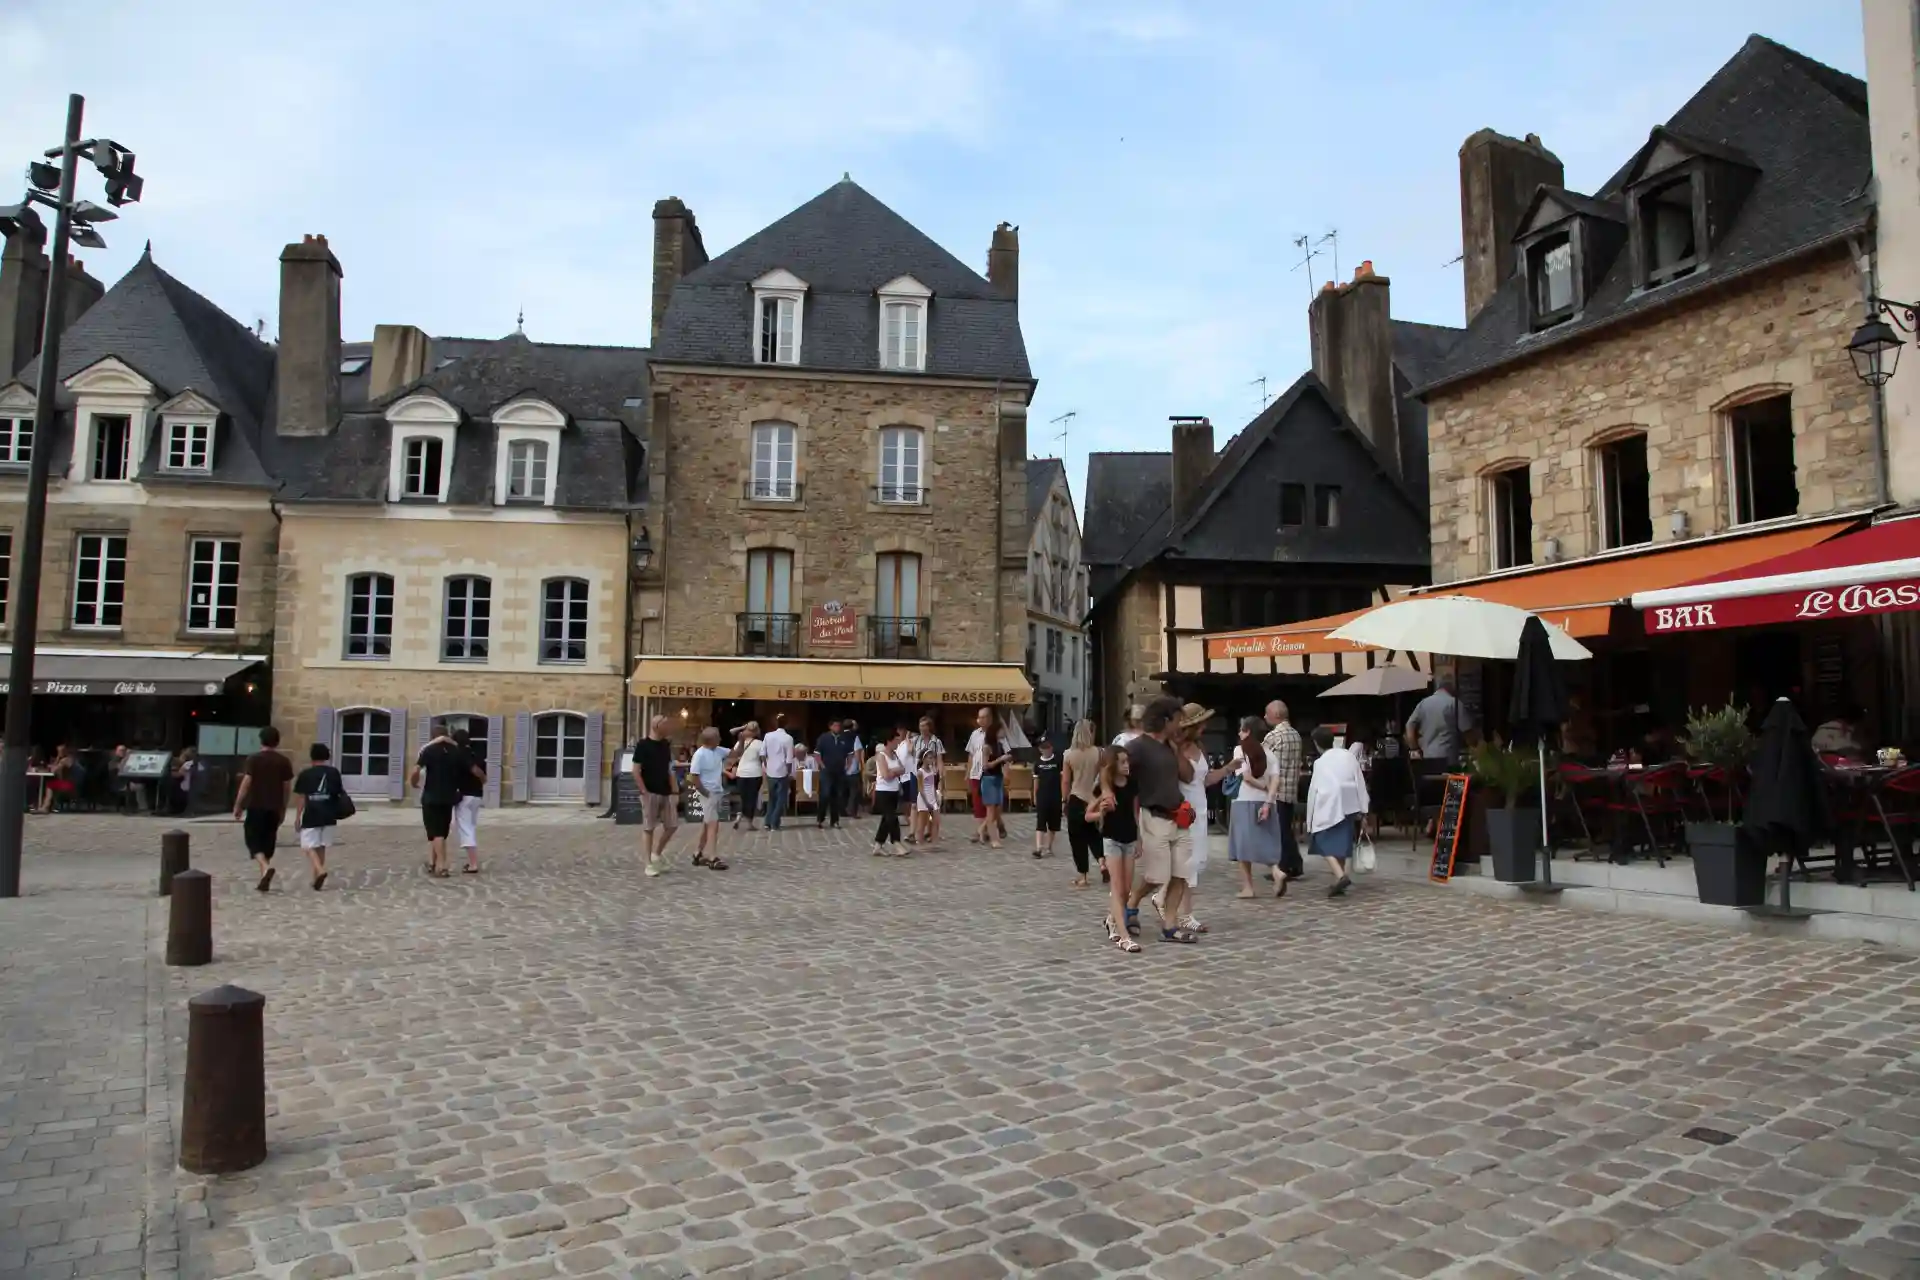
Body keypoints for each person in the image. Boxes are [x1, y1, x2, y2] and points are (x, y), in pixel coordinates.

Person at [1126, 697, 1198, 944]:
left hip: (1179, 816)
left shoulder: (1171, 746)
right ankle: (1131, 903)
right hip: (1154, 817)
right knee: (1156, 876)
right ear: (1166, 720)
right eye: (1178, 719)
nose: (1181, 725)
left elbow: (1188, 776)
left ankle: (1170, 926)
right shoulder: (1138, 747)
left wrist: (1177, 750)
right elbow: (1118, 774)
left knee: (1180, 874)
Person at [1087, 745, 1141, 952]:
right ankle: (1124, 936)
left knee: (1126, 890)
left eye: (1127, 761)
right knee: (1117, 890)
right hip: (1111, 840)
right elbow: (1087, 815)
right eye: (1122, 762)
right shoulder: (1104, 787)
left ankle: (1112, 920)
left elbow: (1136, 813)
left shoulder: (1132, 784)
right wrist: (1100, 811)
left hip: (1129, 839)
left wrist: (1139, 839)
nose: (1127, 765)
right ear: (1112, 765)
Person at [1226, 716, 1287, 898]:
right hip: (1267, 803)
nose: (1239, 733)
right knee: (1265, 841)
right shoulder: (1270, 753)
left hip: (1244, 801)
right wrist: (1268, 799)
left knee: (1242, 845)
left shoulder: (1240, 750)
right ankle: (1277, 871)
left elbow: (1246, 777)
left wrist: (1263, 787)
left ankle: (1248, 887)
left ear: (1248, 732)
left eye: (1242, 729)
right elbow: (1276, 780)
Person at [1305, 724, 1369, 896]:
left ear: (1316, 744)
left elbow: (1313, 791)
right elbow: (1359, 780)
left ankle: (1341, 875)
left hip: (1329, 802)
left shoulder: (1319, 762)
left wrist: (1309, 819)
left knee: (1321, 838)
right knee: (1341, 840)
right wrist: (1364, 808)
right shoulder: (1348, 756)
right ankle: (1339, 877)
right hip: (1349, 801)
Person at [232, 726, 295, 892]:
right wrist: (284, 808)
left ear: (261, 740)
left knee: (253, 842)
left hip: (256, 806)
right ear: (277, 741)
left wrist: (238, 804)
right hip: (274, 807)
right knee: (268, 842)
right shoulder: (283, 761)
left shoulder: (254, 759)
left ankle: (265, 868)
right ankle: (263, 879)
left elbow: (246, 784)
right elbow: (286, 787)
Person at [413, 729, 480, 879]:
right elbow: (470, 769)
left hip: (431, 796)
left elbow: (416, 769)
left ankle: (441, 866)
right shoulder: (455, 752)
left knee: (435, 832)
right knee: (440, 832)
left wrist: (413, 782)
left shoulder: (428, 750)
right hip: (448, 797)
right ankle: (432, 862)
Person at [291, 742, 346, 890]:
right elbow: (338, 793)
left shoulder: (305, 774)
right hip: (329, 814)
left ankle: (320, 871)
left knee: (308, 845)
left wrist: (297, 817)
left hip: (312, 814)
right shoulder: (334, 773)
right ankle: (316, 879)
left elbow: (302, 797)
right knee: (321, 847)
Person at [1262, 701, 1306, 885]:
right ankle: (1293, 863)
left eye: (1267, 713)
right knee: (1285, 828)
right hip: (1290, 788)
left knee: (1279, 831)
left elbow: (1263, 762)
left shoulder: (1274, 736)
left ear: (1276, 715)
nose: (1264, 717)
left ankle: (1286, 866)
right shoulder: (1296, 735)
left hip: (1276, 790)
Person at [634, 716, 679, 876]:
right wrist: (644, 792)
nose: (668, 728)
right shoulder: (643, 745)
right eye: (665, 725)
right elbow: (636, 771)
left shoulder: (665, 745)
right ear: (656, 726)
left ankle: (656, 854)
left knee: (672, 825)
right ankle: (648, 863)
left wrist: (675, 791)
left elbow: (670, 769)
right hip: (650, 791)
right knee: (649, 827)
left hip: (665, 791)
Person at [1062, 720, 1103, 888]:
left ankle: (1083, 875)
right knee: (1094, 834)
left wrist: (1064, 800)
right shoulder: (1100, 752)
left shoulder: (1069, 755)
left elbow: (1065, 781)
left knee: (1077, 837)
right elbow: (1103, 776)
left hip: (1076, 797)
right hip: (1093, 797)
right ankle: (1102, 862)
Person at [688, 727, 731, 870]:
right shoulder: (699, 754)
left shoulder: (717, 750)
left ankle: (697, 853)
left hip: (716, 791)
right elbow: (694, 776)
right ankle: (713, 858)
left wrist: (742, 740)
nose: (720, 739)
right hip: (708, 792)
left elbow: (737, 753)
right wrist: (705, 793)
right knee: (714, 824)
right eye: (718, 737)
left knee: (707, 824)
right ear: (711, 739)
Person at [969, 708, 1012, 848]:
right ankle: (992, 837)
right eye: (979, 717)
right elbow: (984, 764)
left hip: (997, 777)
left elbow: (1008, 756)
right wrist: (1001, 759)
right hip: (985, 776)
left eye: (984, 717)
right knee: (989, 808)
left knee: (995, 808)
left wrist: (1006, 768)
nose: (981, 720)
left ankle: (981, 830)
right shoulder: (982, 742)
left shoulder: (999, 743)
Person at [1405, 675, 1469, 762]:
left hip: (1427, 756)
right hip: (1448, 757)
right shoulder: (1454, 703)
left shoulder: (1423, 703)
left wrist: (1414, 748)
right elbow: (1467, 731)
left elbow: (1409, 726)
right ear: (1451, 687)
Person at [449, 727, 486, 874]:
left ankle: (473, 863)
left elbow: (474, 770)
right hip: (477, 795)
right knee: (470, 825)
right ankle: (472, 861)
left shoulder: (459, 754)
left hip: (465, 795)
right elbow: (482, 773)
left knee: (465, 828)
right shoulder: (476, 753)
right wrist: (481, 781)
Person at [871, 724, 908, 856]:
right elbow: (886, 775)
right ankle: (897, 843)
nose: (898, 743)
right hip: (883, 791)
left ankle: (878, 845)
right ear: (889, 741)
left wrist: (894, 771)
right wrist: (894, 771)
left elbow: (902, 769)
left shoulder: (895, 755)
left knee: (886, 820)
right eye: (896, 740)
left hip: (894, 790)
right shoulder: (881, 756)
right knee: (892, 818)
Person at [908, 716, 944, 846]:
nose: (922, 728)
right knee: (915, 804)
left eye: (925, 725)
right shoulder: (915, 740)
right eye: (920, 725)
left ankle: (929, 832)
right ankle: (913, 833)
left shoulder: (936, 742)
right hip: (916, 773)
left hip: (931, 775)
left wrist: (940, 777)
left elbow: (939, 760)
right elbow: (909, 752)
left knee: (931, 803)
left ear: (930, 727)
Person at [1032, 735, 1063, 861]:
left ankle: (1049, 847)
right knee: (1041, 821)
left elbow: (1063, 779)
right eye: (1044, 748)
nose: (1047, 750)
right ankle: (1039, 848)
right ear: (1040, 749)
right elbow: (1036, 781)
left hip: (1055, 795)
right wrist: (1034, 796)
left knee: (1053, 823)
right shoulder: (1038, 764)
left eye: (1048, 747)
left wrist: (1063, 795)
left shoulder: (1058, 761)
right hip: (1042, 796)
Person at [762, 714, 795, 831]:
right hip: (782, 771)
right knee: (781, 799)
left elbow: (762, 754)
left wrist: (766, 766)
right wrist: (789, 772)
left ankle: (768, 821)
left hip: (770, 770)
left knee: (772, 798)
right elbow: (789, 758)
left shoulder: (768, 736)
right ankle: (774, 823)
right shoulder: (788, 738)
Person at [731, 721, 765, 831]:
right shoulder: (760, 743)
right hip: (755, 773)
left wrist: (742, 727)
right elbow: (762, 759)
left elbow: (736, 754)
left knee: (743, 797)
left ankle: (739, 816)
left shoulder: (740, 742)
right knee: (751, 798)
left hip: (741, 773)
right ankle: (749, 823)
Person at [814, 719, 848, 828]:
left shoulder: (844, 738)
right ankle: (820, 818)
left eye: (839, 725)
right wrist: (822, 765)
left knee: (837, 796)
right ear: (830, 727)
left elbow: (850, 754)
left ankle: (835, 820)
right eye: (835, 725)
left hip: (840, 771)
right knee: (825, 794)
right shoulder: (823, 738)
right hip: (827, 771)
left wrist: (848, 765)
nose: (837, 728)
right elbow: (817, 754)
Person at [914, 737, 943, 846]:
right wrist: (926, 802)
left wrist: (935, 797)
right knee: (923, 822)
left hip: (932, 797)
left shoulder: (932, 770)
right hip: (923, 799)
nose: (932, 760)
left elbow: (933, 784)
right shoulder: (920, 772)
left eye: (933, 758)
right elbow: (920, 788)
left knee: (936, 821)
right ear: (923, 759)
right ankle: (919, 841)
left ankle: (934, 841)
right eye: (929, 758)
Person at [841, 719, 866, 820]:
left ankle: (842, 810)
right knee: (854, 791)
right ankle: (852, 811)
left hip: (841, 768)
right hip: (852, 768)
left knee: (842, 791)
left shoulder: (839, 736)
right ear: (852, 727)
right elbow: (857, 752)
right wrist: (860, 765)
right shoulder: (855, 737)